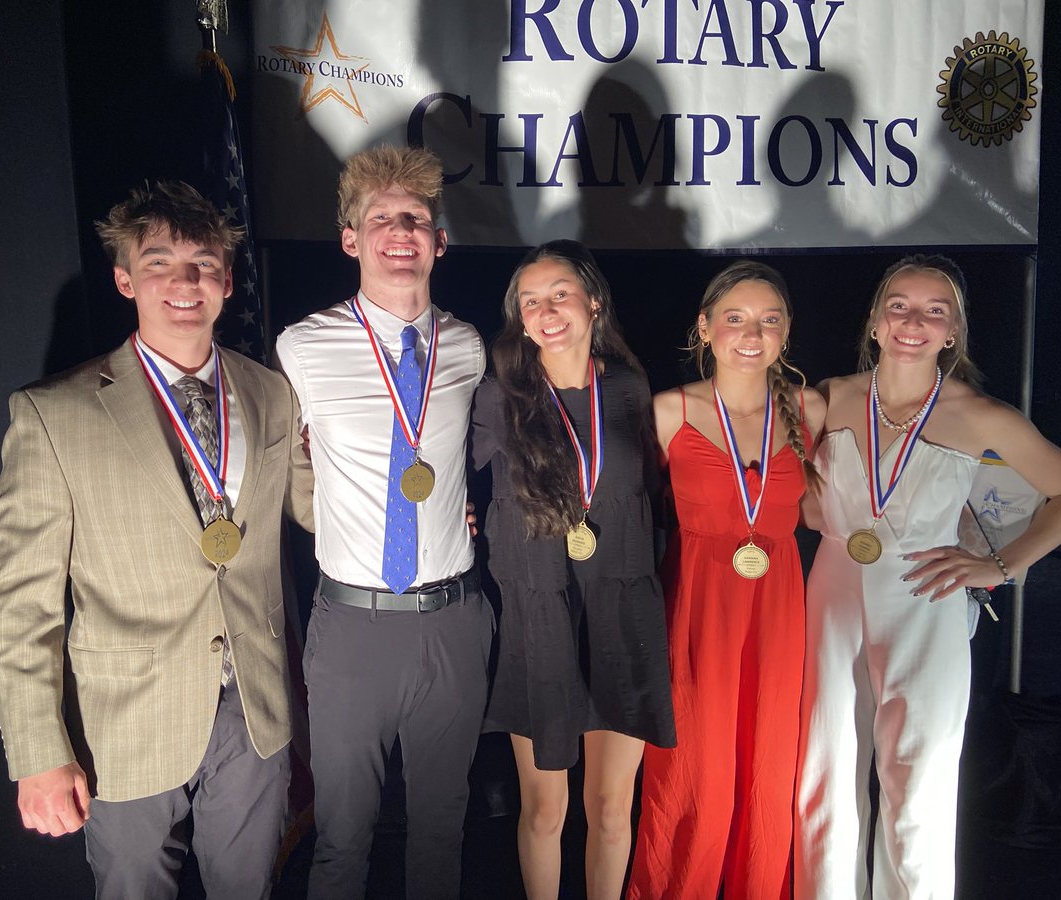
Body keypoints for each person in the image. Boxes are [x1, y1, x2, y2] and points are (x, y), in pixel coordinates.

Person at [0, 181, 314, 899]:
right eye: (159, 261)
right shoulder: (54, 414)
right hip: (123, 727)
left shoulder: (273, 393)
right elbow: (20, 605)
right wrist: (39, 754)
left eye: (203, 261)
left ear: (227, 279)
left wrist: (440, 514)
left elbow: (316, 510)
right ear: (125, 278)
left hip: (255, 715)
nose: (185, 279)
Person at [793, 254, 1061, 899]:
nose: (913, 321)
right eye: (899, 304)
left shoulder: (978, 414)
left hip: (927, 601)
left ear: (953, 331)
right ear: (874, 320)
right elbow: (806, 504)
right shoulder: (828, 399)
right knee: (823, 773)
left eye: (934, 310)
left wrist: (1000, 565)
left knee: (917, 784)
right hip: (833, 594)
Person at [274, 145, 494, 900]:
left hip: (453, 619)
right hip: (353, 628)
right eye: (381, 219)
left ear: (438, 241)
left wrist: (467, 511)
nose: (400, 232)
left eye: (417, 219)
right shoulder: (301, 347)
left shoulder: (467, 347)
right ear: (350, 238)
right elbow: (288, 468)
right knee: (343, 839)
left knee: (443, 829)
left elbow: (482, 454)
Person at [472, 240, 677, 900]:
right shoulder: (495, 396)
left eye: (559, 293)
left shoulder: (630, 387)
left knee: (612, 811)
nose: (546, 309)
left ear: (593, 301)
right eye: (530, 301)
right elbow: (432, 472)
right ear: (519, 319)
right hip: (542, 617)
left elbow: (667, 490)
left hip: (622, 611)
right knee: (545, 811)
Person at [628, 261, 826, 900]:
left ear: (786, 331)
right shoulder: (668, 411)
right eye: (735, 317)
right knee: (696, 777)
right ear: (705, 328)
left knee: (767, 772)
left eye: (769, 319)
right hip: (697, 609)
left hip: (777, 611)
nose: (752, 332)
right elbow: (622, 508)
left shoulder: (811, 409)